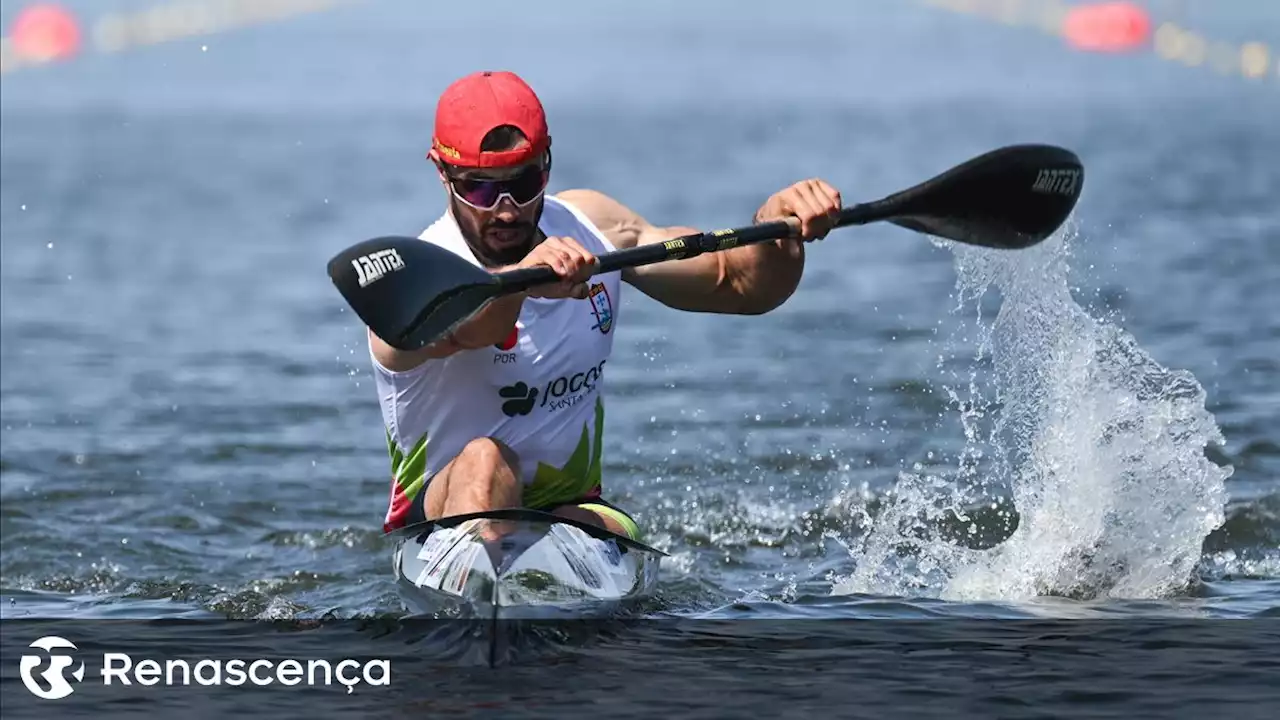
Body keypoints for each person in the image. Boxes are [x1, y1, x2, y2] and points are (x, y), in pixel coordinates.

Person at [368, 70, 843, 541]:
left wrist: (778, 228)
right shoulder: (414, 278)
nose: (507, 209)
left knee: (606, 528)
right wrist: (521, 282)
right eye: (481, 188)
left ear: (547, 166)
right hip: (441, 518)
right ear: (442, 174)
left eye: (525, 181)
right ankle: (485, 586)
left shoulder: (595, 228)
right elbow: (467, 331)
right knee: (485, 461)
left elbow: (741, 285)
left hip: (571, 513)